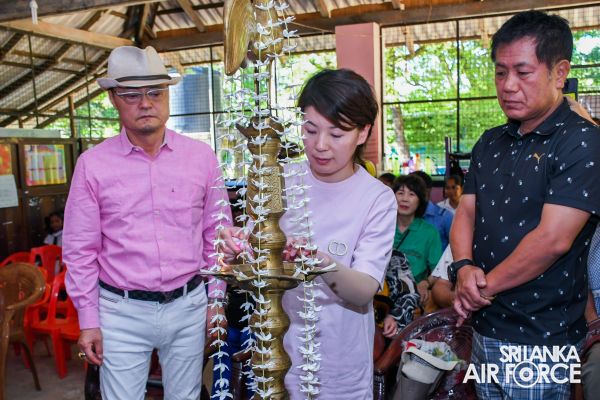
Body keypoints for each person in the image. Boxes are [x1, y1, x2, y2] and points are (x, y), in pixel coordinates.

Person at [63, 46, 231, 399]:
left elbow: (216, 235)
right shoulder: (93, 164)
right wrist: (88, 320)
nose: (145, 103)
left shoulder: (201, 158)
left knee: (186, 396)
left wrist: (215, 301)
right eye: (131, 95)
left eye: (155, 92)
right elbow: (80, 249)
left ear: (167, 95)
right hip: (120, 311)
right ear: (113, 99)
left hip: (188, 304)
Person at [450, 11, 600, 399]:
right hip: (484, 325)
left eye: (522, 72)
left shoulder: (581, 141)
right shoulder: (490, 141)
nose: (508, 85)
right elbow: (466, 211)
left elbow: (552, 240)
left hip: (541, 337)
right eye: (500, 73)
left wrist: (478, 289)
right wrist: (463, 267)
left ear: (559, 72)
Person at [225, 69, 397, 399]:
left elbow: (363, 290)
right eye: (310, 130)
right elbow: (254, 247)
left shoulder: (377, 198)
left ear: (363, 132)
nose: (320, 146)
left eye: (337, 134)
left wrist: (316, 261)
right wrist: (237, 248)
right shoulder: (277, 178)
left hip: (340, 368)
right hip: (277, 355)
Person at [393, 174, 442, 304]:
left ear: (420, 201)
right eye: (400, 193)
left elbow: (438, 270)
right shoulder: (381, 228)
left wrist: (425, 283)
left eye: (411, 194)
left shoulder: (429, 232)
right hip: (382, 294)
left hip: (413, 298)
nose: (404, 199)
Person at [411, 170, 453, 250]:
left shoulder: (445, 217)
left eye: (412, 192)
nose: (406, 197)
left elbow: (456, 247)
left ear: (427, 191)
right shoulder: (402, 216)